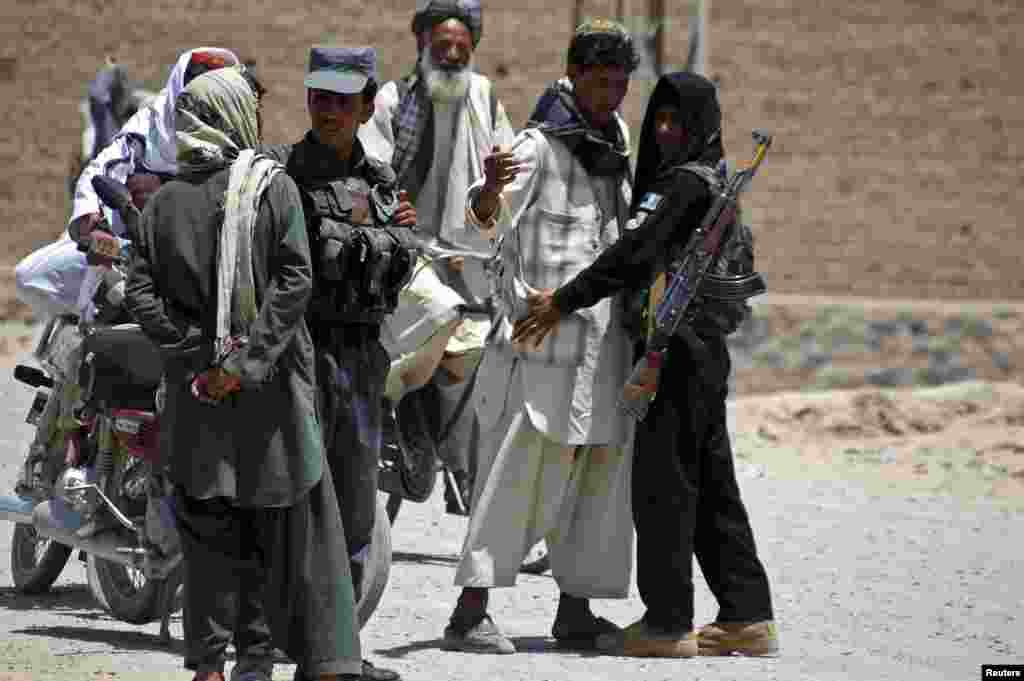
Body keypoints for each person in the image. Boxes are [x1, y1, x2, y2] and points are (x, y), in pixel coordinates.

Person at [512, 71, 778, 658]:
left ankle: (667, 621)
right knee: (711, 484)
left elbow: (631, 256)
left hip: (673, 354)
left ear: (700, 126)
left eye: (674, 123)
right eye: (657, 120)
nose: (662, 132)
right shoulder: (712, 182)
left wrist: (562, 301)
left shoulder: (681, 187)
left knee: (664, 486)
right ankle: (746, 613)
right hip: (706, 353)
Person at [123, 66, 363, 681]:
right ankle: (254, 665)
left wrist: (192, 358)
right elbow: (294, 282)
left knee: (206, 547)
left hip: (196, 403)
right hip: (264, 406)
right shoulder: (270, 190)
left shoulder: (163, 202)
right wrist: (246, 363)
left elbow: (139, 290)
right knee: (260, 541)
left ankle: (206, 666)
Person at [439, 18, 640, 654]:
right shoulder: (538, 145)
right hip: (539, 351)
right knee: (516, 476)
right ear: (575, 75)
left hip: (602, 351)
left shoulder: (617, 140)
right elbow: (479, 221)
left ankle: (573, 610)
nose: (611, 91)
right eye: (599, 78)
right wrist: (489, 192)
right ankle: (469, 613)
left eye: (621, 80)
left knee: (589, 480)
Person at [259, 46, 417, 681]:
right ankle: (278, 644)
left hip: (359, 358)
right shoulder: (283, 176)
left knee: (353, 503)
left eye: (341, 100)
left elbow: (401, 268)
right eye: (318, 97)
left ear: (367, 105)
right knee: (295, 498)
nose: (327, 110)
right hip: (300, 354)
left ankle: (335, 654)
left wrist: (401, 234)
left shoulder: (381, 182)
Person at [359, 0, 515, 511]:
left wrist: (492, 195)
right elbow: (370, 170)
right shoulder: (392, 100)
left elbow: (505, 184)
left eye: (460, 47)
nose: (450, 54)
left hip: (465, 258)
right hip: (402, 255)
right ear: (421, 44)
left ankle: (461, 469)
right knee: (418, 337)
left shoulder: (487, 100)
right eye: (440, 45)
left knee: (476, 362)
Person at [15, 47, 241, 322]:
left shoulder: (240, 142)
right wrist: (93, 225)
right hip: (128, 251)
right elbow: (102, 169)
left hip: (206, 265)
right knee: (29, 276)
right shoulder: (148, 127)